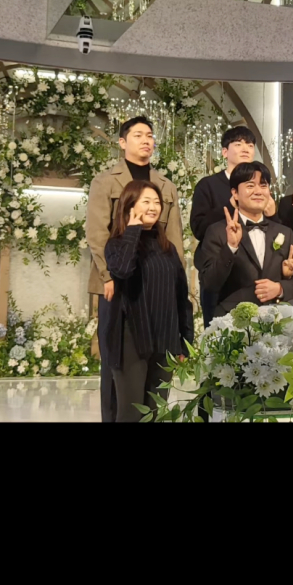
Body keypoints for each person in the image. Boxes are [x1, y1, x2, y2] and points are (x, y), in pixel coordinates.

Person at [85, 114, 185, 426]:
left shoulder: (166, 185)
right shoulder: (105, 181)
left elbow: (175, 238)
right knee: (118, 368)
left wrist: (180, 284)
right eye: (139, 135)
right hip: (119, 279)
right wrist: (108, 275)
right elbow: (97, 232)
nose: (146, 140)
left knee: (156, 381)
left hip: (159, 284)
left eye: (150, 136)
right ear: (122, 142)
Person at [104, 179, 193, 424]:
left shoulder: (168, 248)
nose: (153, 207)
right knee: (131, 413)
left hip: (165, 339)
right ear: (129, 206)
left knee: (156, 412)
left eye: (157, 202)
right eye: (146, 201)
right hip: (131, 339)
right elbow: (122, 270)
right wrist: (132, 231)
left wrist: (185, 342)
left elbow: (181, 297)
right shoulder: (116, 244)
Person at [198, 162, 293, 317]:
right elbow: (209, 283)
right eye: (250, 186)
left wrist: (279, 288)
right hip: (232, 321)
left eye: (263, 186)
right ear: (235, 193)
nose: (258, 191)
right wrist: (230, 247)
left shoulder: (284, 232)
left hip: (277, 321)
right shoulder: (218, 231)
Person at [191, 124, 271, 327]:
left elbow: (279, 231)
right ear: (225, 152)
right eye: (239, 144)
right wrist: (230, 206)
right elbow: (198, 228)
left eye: (250, 145)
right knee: (220, 333)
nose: (245, 148)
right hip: (221, 271)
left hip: (258, 276)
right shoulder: (208, 185)